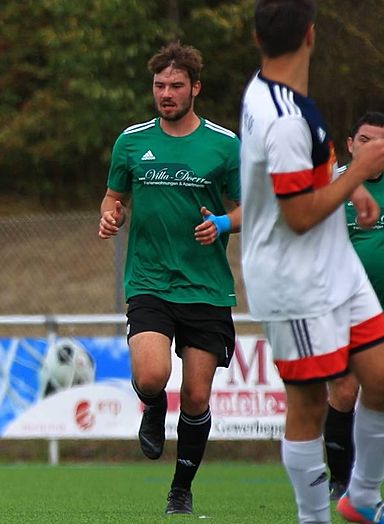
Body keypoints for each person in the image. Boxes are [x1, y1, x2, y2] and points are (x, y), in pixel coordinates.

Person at [239, 0, 384, 523]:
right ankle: (314, 519)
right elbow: (299, 215)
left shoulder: (273, 90)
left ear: (258, 39)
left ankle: (362, 498)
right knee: (309, 403)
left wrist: (348, 182)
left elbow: (310, 159)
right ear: (311, 35)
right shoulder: (282, 118)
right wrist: (359, 173)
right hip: (294, 280)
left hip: (335, 266)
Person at [98, 41, 241, 515]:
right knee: (151, 374)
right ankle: (154, 403)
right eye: (159, 85)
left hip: (205, 287)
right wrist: (111, 216)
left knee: (197, 396)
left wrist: (222, 223)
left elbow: (250, 210)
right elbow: (113, 197)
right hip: (149, 280)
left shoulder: (224, 145)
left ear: (195, 88)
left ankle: (180, 490)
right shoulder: (131, 141)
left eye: (176, 85)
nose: (166, 93)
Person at [324, 112, 384, 499]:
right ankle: (340, 481)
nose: (372, 148)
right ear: (350, 145)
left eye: (380, 141)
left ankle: (363, 476)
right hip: (340, 309)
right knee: (344, 392)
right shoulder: (333, 184)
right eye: (364, 140)